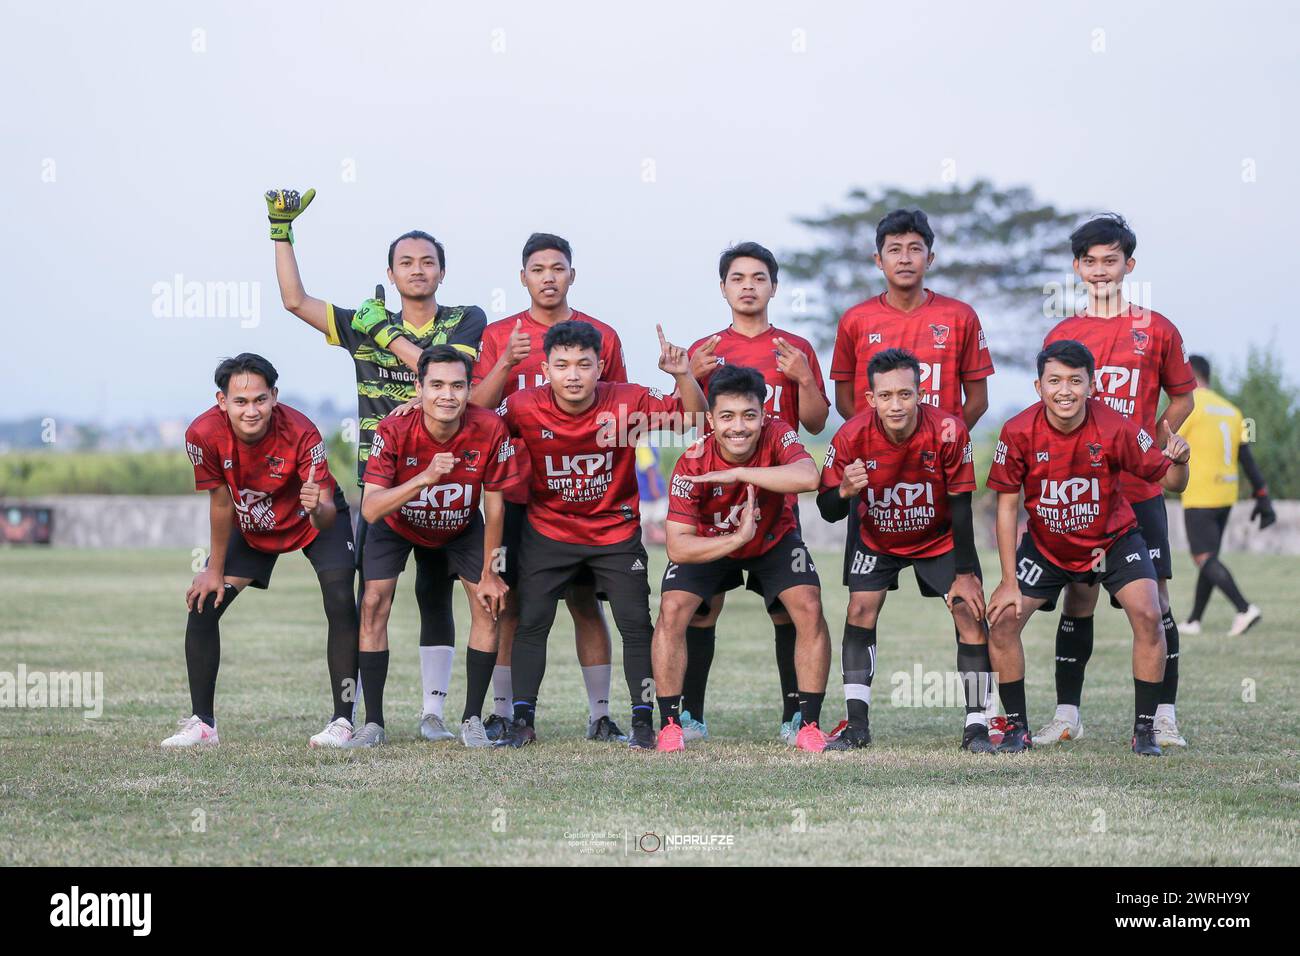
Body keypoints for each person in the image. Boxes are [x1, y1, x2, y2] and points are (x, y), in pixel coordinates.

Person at [267, 187, 486, 742]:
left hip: (447, 483)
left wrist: (383, 331)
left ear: (442, 272)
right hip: (384, 485)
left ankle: (434, 714)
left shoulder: (465, 318)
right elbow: (295, 301)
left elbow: (441, 372)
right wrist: (280, 230)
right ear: (390, 273)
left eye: (427, 262)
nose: (417, 270)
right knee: (375, 599)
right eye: (406, 263)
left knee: (437, 599)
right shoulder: (362, 322)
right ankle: (371, 721)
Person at [496, 321, 706, 749]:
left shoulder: (627, 401)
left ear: (600, 366)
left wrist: (683, 375)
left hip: (614, 531)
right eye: (562, 365)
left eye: (583, 365)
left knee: (635, 624)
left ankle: (644, 722)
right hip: (548, 530)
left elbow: (692, 419)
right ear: (546, 369)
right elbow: (476, 422)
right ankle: (522, 720)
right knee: (532, 622)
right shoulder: (522, 406)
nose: (572, 374)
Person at [1036, 214, 1196, 750]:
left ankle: (1162, 717)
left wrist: (1152, 439)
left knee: (1156, 602)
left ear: (1129, 265)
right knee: (1078, 600)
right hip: (1082, 490)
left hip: (1140, 490)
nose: (1100, 271)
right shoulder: (1063, 333)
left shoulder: (1158, 329)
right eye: (1090, 261)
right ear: (1077, 268)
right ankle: (1066, 715)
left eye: (1111, 261)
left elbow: (1183, 394)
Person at [985, 340, 1190, 757]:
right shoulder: (1018, 430)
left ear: (1091, 385)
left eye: (1075, 381)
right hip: (1047, 545)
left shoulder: (1115, 426)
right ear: (1038, 386)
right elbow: (1006, 508)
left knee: (1150, 612)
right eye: (1054, 380)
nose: (1065, 390)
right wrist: (1008, 581)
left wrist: (1181, 460)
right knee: (1003, 622)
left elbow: (1170, 482)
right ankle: (1017, 729)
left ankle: (1145, 730)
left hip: (1112, 540)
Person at [468, 233, 627, 743]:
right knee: (509, 604)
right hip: (515, 492)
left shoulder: (602, 333)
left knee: (586, 602)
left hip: (582, 494)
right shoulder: (499, 335)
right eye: (538, 269)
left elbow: (619, 414)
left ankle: (600, 715)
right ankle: (506, 713)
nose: (549, 277)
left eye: (558, 268)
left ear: (572, 275)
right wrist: (504, 365)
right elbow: (477, 412)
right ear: (523, 278)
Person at [163, 354, 360, 748]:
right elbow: (220, 502)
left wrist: (315, 507)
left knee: (341, 599)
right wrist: (213, 569)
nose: (251, 410)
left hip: (313, 516)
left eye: (259, 399)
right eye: (240, 401)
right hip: (254, 520)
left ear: (274, 397)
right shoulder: (201, 434)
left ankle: (343, 720)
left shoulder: (303, 432)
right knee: (204, 603)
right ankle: (203, 724)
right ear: (222, 402)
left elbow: (323, 516)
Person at [677, 242, 830, 744]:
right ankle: (691, 716)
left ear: (773, 287)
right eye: (737, 278)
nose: (748, 286)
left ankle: (796, 717)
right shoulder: (705, 349)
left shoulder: (794, 347)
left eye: (758, 277)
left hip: (774, 500)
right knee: (704, 606)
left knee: (788, 606)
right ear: (722, 288)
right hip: (713, 504)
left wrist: (804, 377)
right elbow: (691, 425)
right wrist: (686, 376)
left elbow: (814, 422)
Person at [817, 349, 994, 752]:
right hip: (877, 537)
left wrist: (966, 573)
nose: (895, 405)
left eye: (904, 394)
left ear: (920, 393)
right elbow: (827, 510)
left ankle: (977, 725)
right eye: (886, 396)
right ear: (870, 398)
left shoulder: (948, 430)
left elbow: (962, 505)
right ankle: (857, 726)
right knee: (860, 607)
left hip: (938, 537)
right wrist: (844, 490)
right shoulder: (850, 436)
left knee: (968, 611)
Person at [652, 364, 829, 752]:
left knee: (808, 604)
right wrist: (735, 538)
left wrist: (740, 474)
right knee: (673, 607)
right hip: (714, 542)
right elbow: (678, 547)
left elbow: (808, 477)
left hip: (773, 539)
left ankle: (807, 723)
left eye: (749, 416)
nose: (739, 427)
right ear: (711, 420)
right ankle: (671, 723)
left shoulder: (778, 432)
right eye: (727, 417)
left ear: (763, 415)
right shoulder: (692, 463)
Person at [348, 346, 517, 748]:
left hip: (460, 525)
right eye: (437, 385)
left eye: (457, 385)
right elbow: (371, 508)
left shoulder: (489, 427)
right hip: (396, 521)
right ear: (418, 387)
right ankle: (373, 722)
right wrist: (423, 479)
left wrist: (491, 572)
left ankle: (472, 719)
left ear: (469, 388)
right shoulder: (393, 428)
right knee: (373, 602)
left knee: (487, 603)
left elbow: (494, 508)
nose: (447, 394)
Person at [1178, 354, 1274, 637]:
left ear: (1188, 374)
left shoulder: (1189, 406)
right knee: (1211, 557)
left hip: (1200, 491)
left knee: (1203, 557)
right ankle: (1194, 620)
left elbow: (1165, 442)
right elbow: (1247, 458)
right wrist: (1262, 494)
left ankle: (1244, 609)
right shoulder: (1231, 410)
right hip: (1226, 492)